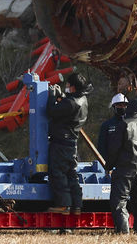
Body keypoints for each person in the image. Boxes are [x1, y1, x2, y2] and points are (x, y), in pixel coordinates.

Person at [46, 72, 92, 215]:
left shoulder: (70, 103)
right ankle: (76, 205)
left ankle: (63, 205)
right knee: (71, 174)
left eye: (68, 85)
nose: (66, 87)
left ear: (72, 87)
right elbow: (67, 106)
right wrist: (62, 98)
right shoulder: (82, 99)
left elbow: (51, 111)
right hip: (72, 142)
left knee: (57, 173)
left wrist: (52, 97)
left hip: (60, 143)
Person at [105, 99, 137, 234]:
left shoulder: (123, 125)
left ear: (128, 110)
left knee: (119, 202)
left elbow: (114, 149)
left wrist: (108, 165)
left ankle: (123, 233)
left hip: (124, 169)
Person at [97, 93, 129, 159]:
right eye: (119, 105)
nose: (122, 107)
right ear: (114, 107)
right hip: (112, 164)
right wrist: (107, 164)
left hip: (128, 164)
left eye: (124, 105)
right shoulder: (106, 125)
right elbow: (101, 147)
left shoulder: (132, 124)